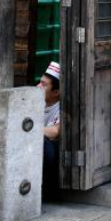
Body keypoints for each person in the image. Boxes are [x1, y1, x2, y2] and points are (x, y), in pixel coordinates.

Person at [38, 61, 61, 195]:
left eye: (44, 85)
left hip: (53, 157)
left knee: (45, 145)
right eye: (40, 82)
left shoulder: (62, 107)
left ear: (56, 92)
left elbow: (55, 131)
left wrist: (29, 132)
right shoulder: (34, 100)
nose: (38, 86)